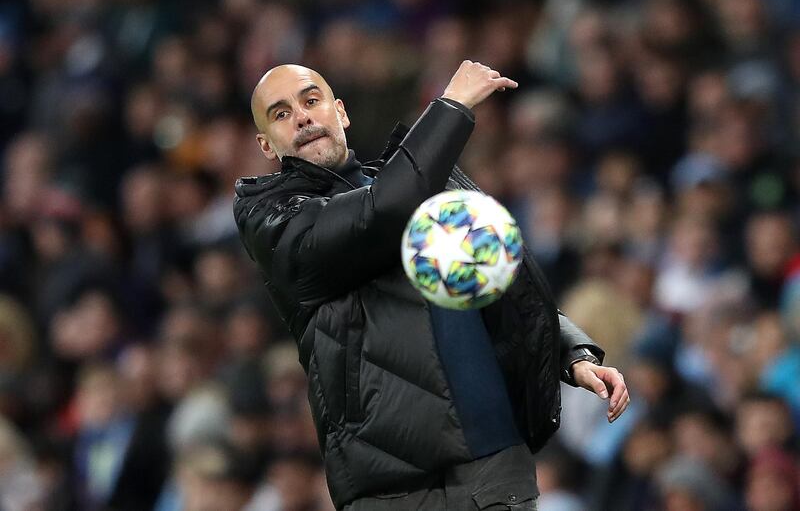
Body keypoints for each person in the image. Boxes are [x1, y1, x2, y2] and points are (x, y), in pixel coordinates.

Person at [233, 61, 630, 510]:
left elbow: (495, 281)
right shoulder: (269, 215)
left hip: (494, 463)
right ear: (266, 145)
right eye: (281, 113)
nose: (302, 117)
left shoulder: (416, 178)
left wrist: (569, 352)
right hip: (392, 489)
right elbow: (381, 214)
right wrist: (450, 107)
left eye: (310, 100)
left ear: (340, 111)